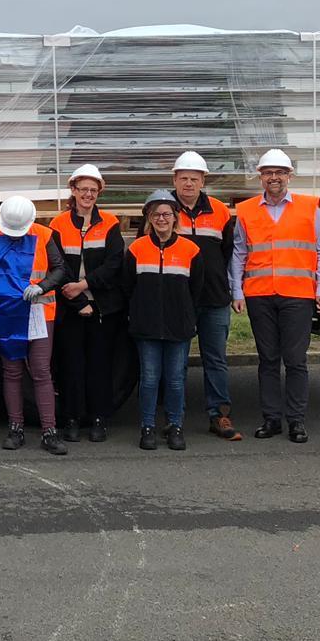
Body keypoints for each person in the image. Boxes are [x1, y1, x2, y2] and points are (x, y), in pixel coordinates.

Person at [230, 149, 320, 443]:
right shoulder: (247, 210)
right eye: (268, 173)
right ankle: (272, 419)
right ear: (260, 177)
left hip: (298, 294)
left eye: (279, 172)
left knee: (296, 360)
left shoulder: (308, 207)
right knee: (268, 359)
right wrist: (237, 291)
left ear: (289, 176)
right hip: (259, 294)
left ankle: (296, 421)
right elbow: (239, 253)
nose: (273, 177)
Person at [49, 164, 125, 442]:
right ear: (73, 190)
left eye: (93, 190)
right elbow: (57, 266)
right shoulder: (58, 224)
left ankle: (98, 419)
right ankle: (71, 418)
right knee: (71, 365)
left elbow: (114, 264)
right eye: (83, 189)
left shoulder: (110, 223)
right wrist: (79, 301)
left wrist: (84, 286)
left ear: (99, 192)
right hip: (70, 308)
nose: (88, 195)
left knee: (100, 366)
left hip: (103, 308)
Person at [170, 151, 241, 442]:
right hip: (177, 299)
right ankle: (175, 419)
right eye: (183, 178)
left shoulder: (219, 210)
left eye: (194, 179)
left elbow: (229, 253)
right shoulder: (163, 209)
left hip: (213, 297)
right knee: (176, 362)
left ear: (203, 181)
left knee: (216, 360)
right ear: (174, 180)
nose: (188, 183)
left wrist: (233, 290)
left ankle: (219, 415)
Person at [125, 191, 203, 452]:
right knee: (149, 379)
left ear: (175, 218)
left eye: (167, 214)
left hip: (178, 326)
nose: (162, 219)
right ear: (149, 218)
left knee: (175, 380)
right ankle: (147, 427)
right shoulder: (136, 249)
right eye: (156, 214)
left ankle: (175, 426)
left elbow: (197, 289)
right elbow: (128, 287)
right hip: (146, 326)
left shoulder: (191, 250)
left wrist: (188, 317)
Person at [0, 197, 67, 455]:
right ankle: (15, 428)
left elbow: (60, 269)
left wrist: (42, 287)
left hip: (40, 311)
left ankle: (49, 431)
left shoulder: (44, 234)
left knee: (40, 370)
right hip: (7, 313)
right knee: (12, 371)